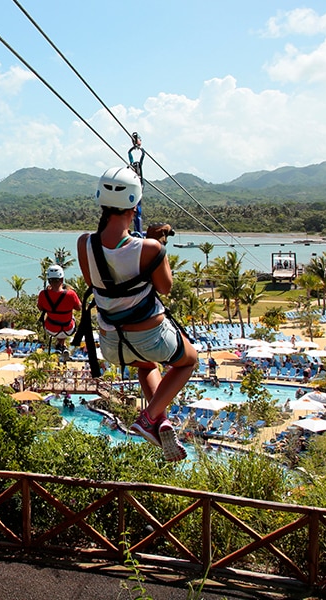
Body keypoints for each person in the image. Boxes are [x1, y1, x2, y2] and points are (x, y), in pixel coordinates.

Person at [77, 167, 198, 462]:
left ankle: (160, 422)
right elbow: (165, 287)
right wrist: (157, 249)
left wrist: (145, 244)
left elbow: (96, 281)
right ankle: (149, 417)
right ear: (136, 204)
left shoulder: (84, 243)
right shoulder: (150, 248)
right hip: (150, 335)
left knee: (146, 367)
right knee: (189, 361)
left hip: (112, 344)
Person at [37, 264, 82, 350]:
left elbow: (40, 308)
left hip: (51, 330)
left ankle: (60, 343)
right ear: (62, 279)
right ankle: (62, 344)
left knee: (52, 318)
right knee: (71, 317)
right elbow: (79, 308)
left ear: (49, 280)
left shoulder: (43, 294)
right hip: (68, 330)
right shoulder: (71, 294)